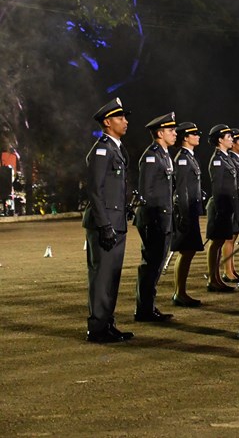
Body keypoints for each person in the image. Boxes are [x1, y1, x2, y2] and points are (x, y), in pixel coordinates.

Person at [83, 98, 134, 343]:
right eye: (120, 117)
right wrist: (104, 225)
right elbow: (95, 190)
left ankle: (107, 322)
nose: (125, 121)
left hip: (116, 222)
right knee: (102, 276)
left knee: (112, 276)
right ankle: (97, 328)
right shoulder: (102, 149)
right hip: (106, 223)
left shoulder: (115, 148)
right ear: (107, 122)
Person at [134, 112, 178, 322]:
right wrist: (155, 219)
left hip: (163, 217)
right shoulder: (152, 155)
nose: (175, 133)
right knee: (151, 264)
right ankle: (144, 310)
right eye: (170, 130)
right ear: (160, 133)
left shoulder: (163, 153)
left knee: (156, 264)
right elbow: (147, 192)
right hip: (154, 218)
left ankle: (148, 307)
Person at [170, 122, 205, 307]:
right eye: (195, 133)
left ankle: (181, 291)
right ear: (185, 137)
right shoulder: (183, 159)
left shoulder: (189, 157)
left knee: (189, 251)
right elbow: (181, 189)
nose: (198, 136)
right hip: (186, 211)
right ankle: (179, 292)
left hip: (191, 209)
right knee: (186, 251)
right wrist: (184, 214)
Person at [204, 124, 237, 293]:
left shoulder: (227, 157)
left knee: (220, 241)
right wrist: (220, 209)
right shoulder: (218, 159)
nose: (232, 139)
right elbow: (217, 187)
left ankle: (216, 278)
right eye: (228, 137)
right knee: (216, 242)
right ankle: (212, 278)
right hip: (220, 205)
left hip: (227, 205)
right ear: (220, 140)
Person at [222, 128, 239, 284]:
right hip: (231, 201)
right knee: (229, 238)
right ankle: (227, 271)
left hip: (238, 201)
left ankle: (232, 269)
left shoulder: (237, 159)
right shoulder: (229, 158)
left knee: (234, 236)